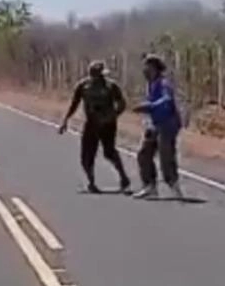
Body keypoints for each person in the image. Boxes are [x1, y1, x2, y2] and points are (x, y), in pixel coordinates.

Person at [58, 60, 132, 194]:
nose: (101, 77)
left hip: (108, 124)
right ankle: (91, 182)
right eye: (99, 75)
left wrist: (113, 115)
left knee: (109, 152)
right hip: (91, 124)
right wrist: (65, 120)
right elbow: (74, 103)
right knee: (87, 155)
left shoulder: (111, 86)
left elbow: (122, 103)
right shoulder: (83, 86)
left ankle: (123, 177)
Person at [132, 54, 183, 199]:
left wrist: (150, 106)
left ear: (154, 68)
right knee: (144, 153)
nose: (144, 70)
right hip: (154, 124)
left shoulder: (164, 83)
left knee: (166, 155)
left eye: (147, 67)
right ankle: (150, 186)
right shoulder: (150, 84)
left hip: (168, 124)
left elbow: (167, 100)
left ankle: (173, 185)